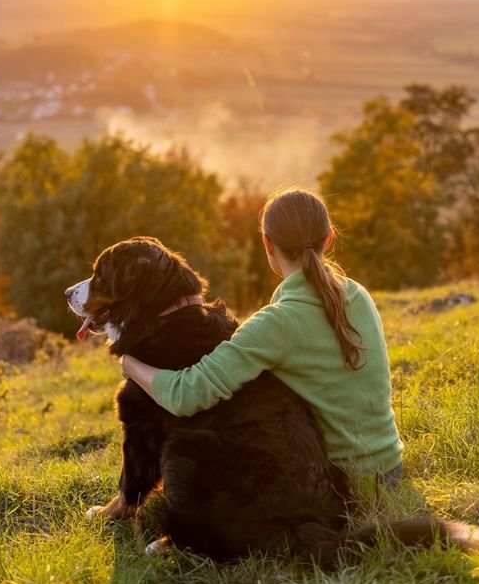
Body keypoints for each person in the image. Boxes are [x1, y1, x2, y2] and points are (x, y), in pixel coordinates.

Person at [119, 186, 404, 487]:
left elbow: (186, 394)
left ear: (267, 244)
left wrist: (130, 364)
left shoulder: (276, 323)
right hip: (390, 468)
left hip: (344, 481)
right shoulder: (358, 294)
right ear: (329, 238)